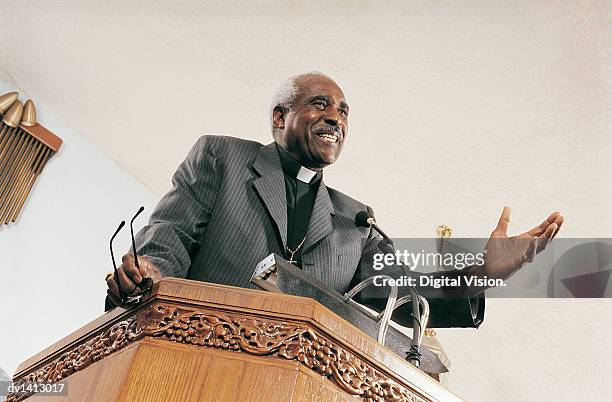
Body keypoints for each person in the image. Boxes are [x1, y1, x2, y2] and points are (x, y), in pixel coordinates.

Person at [106, 72, 564, 325]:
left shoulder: (354, 220)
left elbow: (400, 295)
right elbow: (170, 233)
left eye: (343, 111)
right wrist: (151, 271)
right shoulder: (221, 157)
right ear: (279, 116)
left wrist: (482, 271)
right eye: (320, 104)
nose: (335, 118)